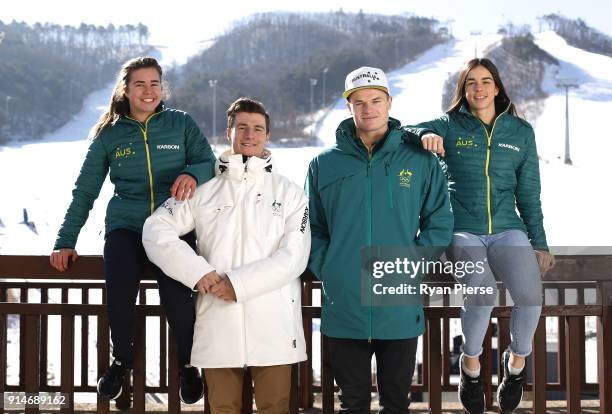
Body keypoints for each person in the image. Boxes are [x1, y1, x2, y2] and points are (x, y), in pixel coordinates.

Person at [49, 56, 216, 403]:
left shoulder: (180, 124)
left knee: (178, 297)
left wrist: (192, 174)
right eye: (140, 84)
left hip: (174, 225)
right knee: (120, 289)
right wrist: (65, 241)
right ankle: (121, 360)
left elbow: (208, 162)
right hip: (127, 226)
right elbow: (85, 191)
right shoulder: (109, 135)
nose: (148, 90)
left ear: (162, 88)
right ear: (126, 89)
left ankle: (188, 364)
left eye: (154, 83)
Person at [404, 58, 555, 414]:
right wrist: (422, 134)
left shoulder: (520, 132)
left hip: (508, 229)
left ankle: (515, 366)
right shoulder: (449, 124)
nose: (479, 88)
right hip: (462, 229)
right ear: (464, 89)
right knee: (482, 293)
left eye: (486, 81)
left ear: (497, 87)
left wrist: (540, 243)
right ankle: (470, 367)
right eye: (471, 82)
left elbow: (529, 195)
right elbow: (400, 129)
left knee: (532, 295)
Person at [142, 97, 310, 414]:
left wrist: (238, 284)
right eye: (242, 127)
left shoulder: (290, 193)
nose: (250, 134)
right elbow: (155, 229)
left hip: (273, 320)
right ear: (229, 131)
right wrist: (198, 273)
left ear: (267, 135)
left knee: (276, 406)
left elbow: (294, 257)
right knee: (222, 408)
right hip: (218, 317)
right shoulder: (203, 189)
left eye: (258, 128)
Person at [305, 66, 453, 413]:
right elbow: (312, 228)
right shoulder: (323, 165)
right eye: (359, 102)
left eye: (375, 100)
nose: (368, 109)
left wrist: (411, 262)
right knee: (352, 402)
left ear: (389, 102)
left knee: (396, 402)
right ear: (349, 107)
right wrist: (330, 268)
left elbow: (439, 221)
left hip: (398, 304)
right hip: (345, 303)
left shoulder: (420, 160)